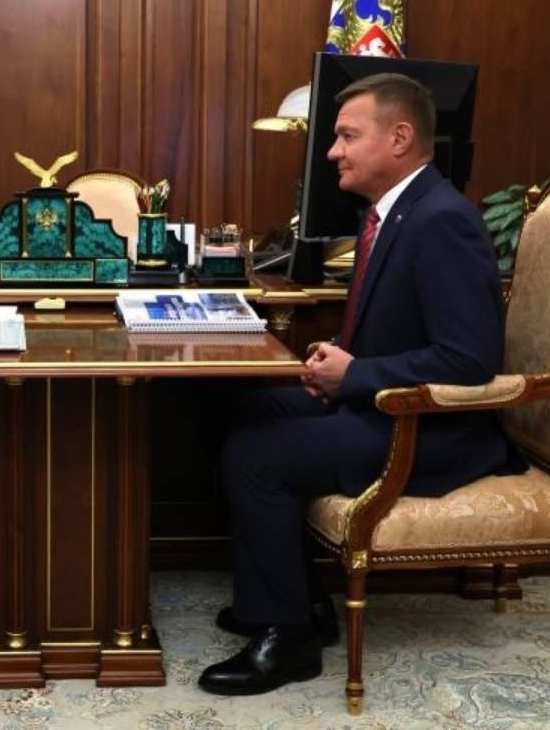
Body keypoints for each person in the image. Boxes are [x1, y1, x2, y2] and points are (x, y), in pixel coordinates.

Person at [199, 73, 526, 696]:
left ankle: (289, 637)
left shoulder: (442, 220)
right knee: (240, 409)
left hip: (433, 428)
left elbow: (469, 359)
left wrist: (356, 375)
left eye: (347, 136)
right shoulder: (396, 211)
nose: (332, 152)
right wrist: (343, 368)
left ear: (399, 138)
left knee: (254, 455)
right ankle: (297, 600)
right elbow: (405, 330)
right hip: (383, 406)